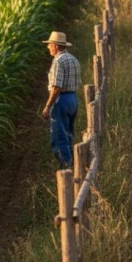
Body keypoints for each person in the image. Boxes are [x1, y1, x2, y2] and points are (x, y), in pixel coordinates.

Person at [41, 31, 81, 168]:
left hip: (62, 101)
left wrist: (47, 106)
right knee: (69, 134)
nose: (48, 48)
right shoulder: (73, 59)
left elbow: (57, 87)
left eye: (50, 45)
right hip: (73, 99)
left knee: (59, 138)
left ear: (56, 46)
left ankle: (67, 169)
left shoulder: (58, 61)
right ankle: (75, 166)